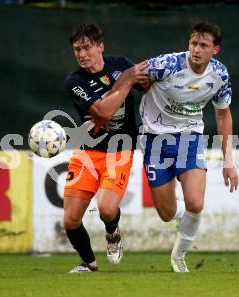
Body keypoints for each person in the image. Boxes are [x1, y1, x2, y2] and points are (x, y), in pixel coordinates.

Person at [140, 21, 239, 272]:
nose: (196, 49)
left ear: (215, 50)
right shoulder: (167, 64)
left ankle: (179, 256)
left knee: (196, 203)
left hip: (190, 137)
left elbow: (223, 115)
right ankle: (181, 216)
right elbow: (131, 75)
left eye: (203, 45)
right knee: (166, 213)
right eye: (193, 43)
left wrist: (228, 162)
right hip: (156, 139)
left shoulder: (219, 74)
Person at [63, 23, 148, 273]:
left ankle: (112, 232)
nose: (82, 54)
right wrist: (127, 81)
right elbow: (103, 111)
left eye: (87, 47)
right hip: (87, 151)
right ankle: (89, 263)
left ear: (101, 46)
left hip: (120, 148)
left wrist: (137, 78)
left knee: (107, 209)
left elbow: (149, 85)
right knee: (70, 220)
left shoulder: (119, 63)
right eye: (77, 49)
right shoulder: (75, 80)